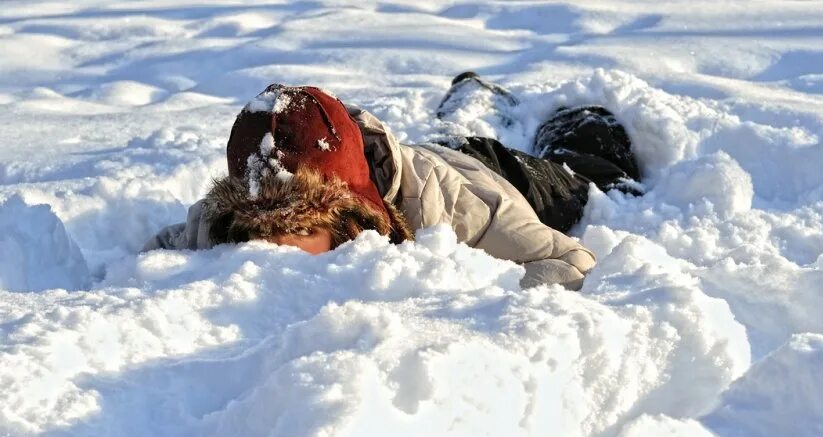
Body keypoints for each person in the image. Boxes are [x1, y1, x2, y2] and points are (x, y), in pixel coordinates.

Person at [144, 73, 641, 290]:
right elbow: (162, 251)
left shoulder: (450, 208)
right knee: (451, 133)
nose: (274, 252)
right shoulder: (232, 221)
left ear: (346, 217)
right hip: (401, 159)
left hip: (488, 175)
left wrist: (474, 295)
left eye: (297, 232)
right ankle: (470, 96)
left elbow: (573, 261)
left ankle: (569, 115)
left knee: (589, 174)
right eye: (260, 234)